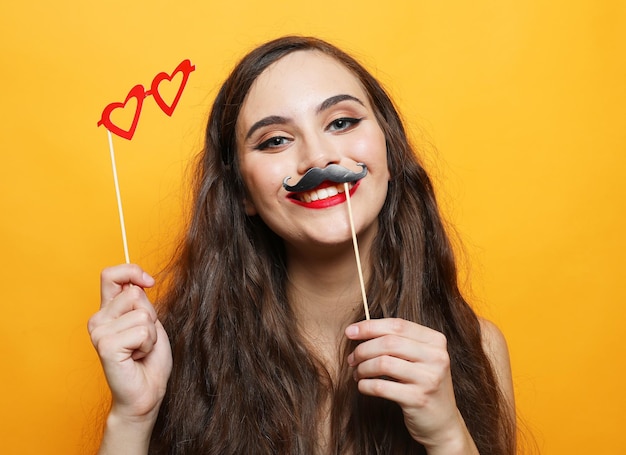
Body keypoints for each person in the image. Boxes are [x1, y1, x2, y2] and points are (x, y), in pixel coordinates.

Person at [88, 35, 516, 454]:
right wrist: (133, 416)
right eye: (275, 140)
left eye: (342, 122)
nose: (317, 158)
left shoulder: (477, 348)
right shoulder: (172, 356)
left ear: (391, 151)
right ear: (242, 193)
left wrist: (447, 436)